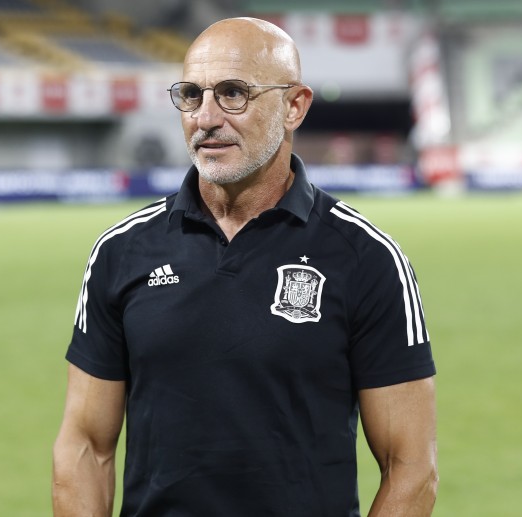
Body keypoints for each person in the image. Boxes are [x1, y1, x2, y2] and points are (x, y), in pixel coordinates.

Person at [53, 17, 437, 517]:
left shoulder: (368, 258)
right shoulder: (121, 251)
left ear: (294, 106)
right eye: (192, 95)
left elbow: (411, 468)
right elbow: (85, 446)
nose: (206, 117)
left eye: (233, 93)